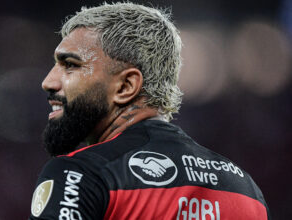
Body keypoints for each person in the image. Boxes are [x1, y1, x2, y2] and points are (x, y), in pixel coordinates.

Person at [29, 2, 270, 220]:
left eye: (70, 65)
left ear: (126, 86)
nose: (48, 81)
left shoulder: (80, 174)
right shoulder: (245, 189)